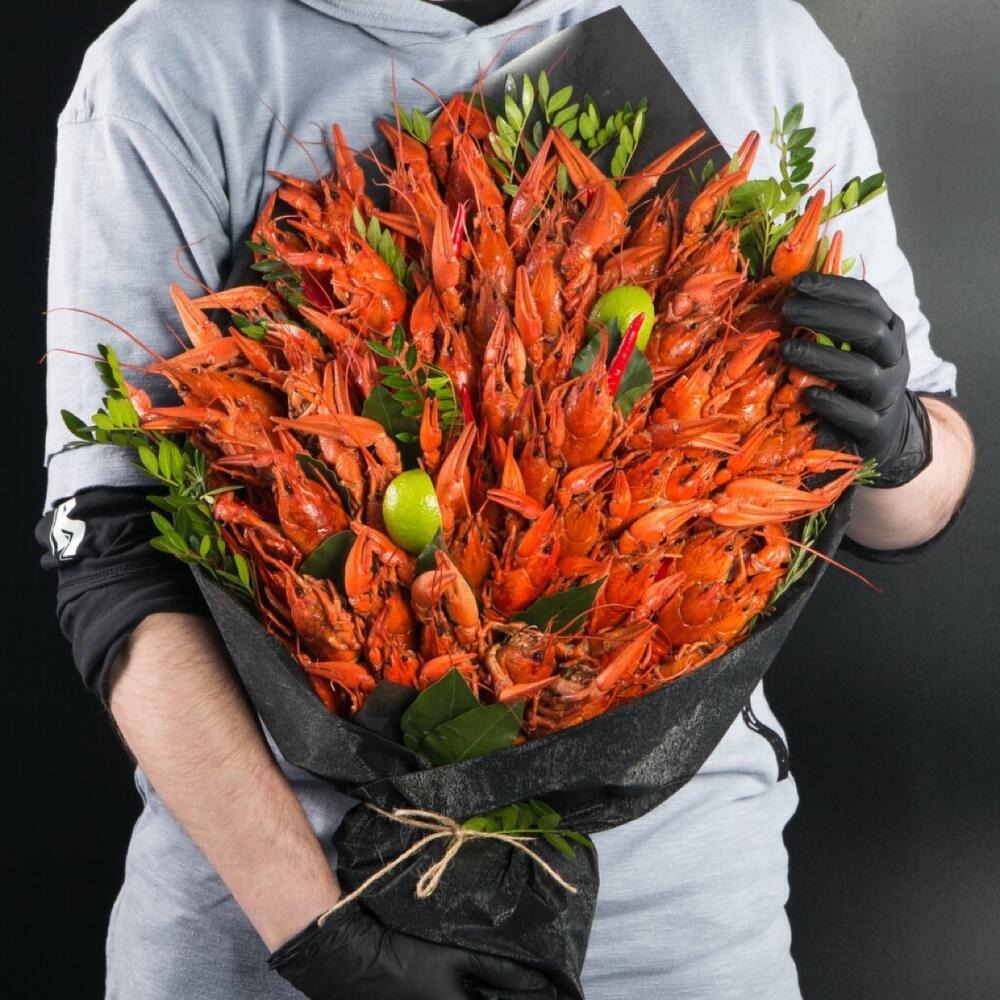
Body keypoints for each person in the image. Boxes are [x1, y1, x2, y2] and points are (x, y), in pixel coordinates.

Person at [37, 1, 975, 998]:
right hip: (280, 930)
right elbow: (111, 564)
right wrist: (319, 932)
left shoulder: (751, 35)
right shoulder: (173, 57)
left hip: (686, 934)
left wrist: (901, 441)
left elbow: (908, 512)